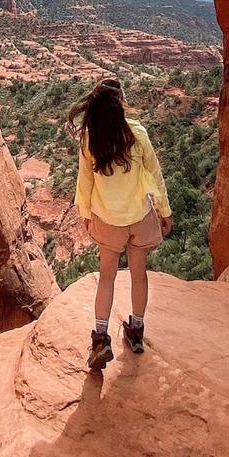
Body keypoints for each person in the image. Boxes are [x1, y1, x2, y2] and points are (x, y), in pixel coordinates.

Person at [69, 76, 172, 372]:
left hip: (108, 220)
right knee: (139, 275)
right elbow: (156, 174)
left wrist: (87, 214)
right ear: (120, 103)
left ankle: (100, 339)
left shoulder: (91, 138)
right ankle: (136, 332)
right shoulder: (137, 134)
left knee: (107, 277)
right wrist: (164, 211)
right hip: (139, 217)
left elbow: (84, 181)